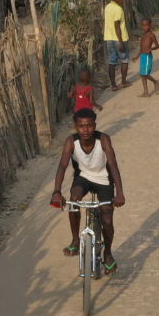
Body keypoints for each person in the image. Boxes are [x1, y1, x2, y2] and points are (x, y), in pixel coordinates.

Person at [50, 108, 126, 273]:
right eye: (81, 126)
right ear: (76, 127)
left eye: (89, 126)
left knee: (106, 220)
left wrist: (119, 193)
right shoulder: (71, 142)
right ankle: (76, 240)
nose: (85, 130)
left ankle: (108, 253)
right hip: (83, 178)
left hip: (104, 180)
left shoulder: (103, 139)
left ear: (95, 125)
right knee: (73, 199)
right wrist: (56, 191)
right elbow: (63, 165)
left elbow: (113, 164)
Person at [102, 0, 130, 90]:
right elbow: (117, 26)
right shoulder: (119, 9)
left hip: (109, 38)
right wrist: (121, 42)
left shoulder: (108, 7)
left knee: (112, 62)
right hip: (119, 39)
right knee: (125, 60)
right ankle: (123, 81)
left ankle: (113, 85)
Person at [137, 18, 159, 97]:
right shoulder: (143, 34)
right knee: (142, 74)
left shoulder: (151, 35)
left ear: (150, 25)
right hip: (143, 56)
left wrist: (151, 49)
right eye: (143, 25)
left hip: (147, 56)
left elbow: (157, 46)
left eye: (147, 25)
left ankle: (155, 81)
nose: (145, 27)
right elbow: (141, 47)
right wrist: (137, 56)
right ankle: (146, 92)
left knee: (144, 74)